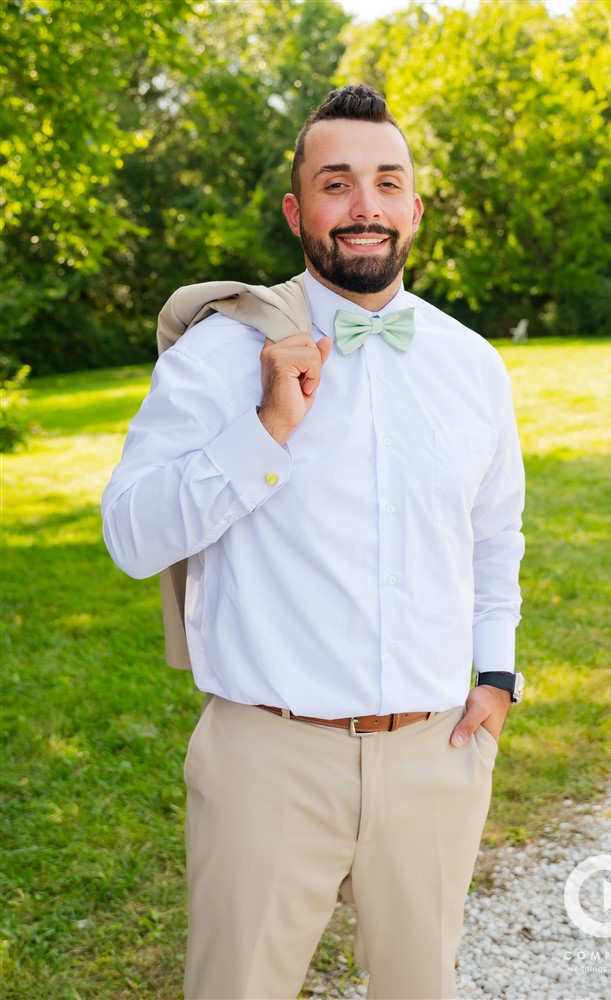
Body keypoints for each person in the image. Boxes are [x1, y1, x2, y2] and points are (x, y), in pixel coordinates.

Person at [102, 83, 525, 1000]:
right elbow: (130, 537)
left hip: (434, 758)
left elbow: (495, 536)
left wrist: (496, 679)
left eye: (386, 182)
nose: (364, 206)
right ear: (299, 211)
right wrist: (263, 434)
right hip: (267, 760)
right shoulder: (216, 356)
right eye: (336, 184)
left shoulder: (473, 366)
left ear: (414, 207)